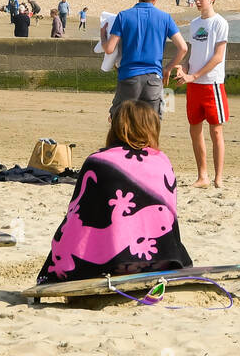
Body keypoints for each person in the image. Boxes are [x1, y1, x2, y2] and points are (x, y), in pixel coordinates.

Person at [35, 100, 191, 284]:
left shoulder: (98, 162)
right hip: (165, 261)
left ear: (116, 126)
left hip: (113, 266)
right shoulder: (162, 161)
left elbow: (78, 215)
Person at [101, 0, 188, 119]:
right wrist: (167, 68)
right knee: (151, 128)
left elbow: (109, 49)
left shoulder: (124, 16)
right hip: (153, 79)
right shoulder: (165, 18)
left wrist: (103, 35)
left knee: (120, 123)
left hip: (129, 77)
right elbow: (183, 48)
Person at [173, 0, 229, 189]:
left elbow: (217, 57)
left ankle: (218, 177)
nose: (197, 1)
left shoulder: (220, 23)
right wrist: (184, 69)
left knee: (216, 131)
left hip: (212, 83)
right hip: (194, 85)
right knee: (194, 129)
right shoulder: (195, 24)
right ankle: (203, 175)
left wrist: (194, 76)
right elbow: (193, 54)